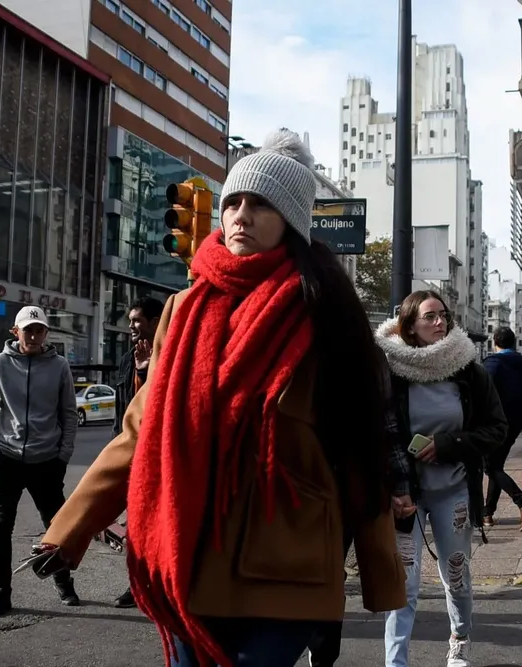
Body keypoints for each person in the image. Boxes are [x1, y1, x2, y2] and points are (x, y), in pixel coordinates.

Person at [25, 129, 406, 666]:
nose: (240, 216)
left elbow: (357, 450)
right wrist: (67, 532)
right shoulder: (183, 310)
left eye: (260, 205)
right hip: (190, 555)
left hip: (288, 566)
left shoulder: (326, 314)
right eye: (232, 203)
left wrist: (378, 575)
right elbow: (142, 432)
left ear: (293, 222)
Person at [377, 290, 508, 667]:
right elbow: (379, 431)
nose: (440, 323)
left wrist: (450, 445)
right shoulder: (390, 370)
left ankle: (460, 640)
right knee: (405, 583)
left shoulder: (468, 369)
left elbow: (497, 427)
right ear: (410, 327)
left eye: (443, 316)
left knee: (456, 574)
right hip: (406, 497)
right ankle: (395, 661)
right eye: (430, 317)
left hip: (454, 491)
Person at [0, 305, 80, 617]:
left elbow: (69, 415)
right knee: (1, 526)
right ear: (15, 331)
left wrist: (63, 455)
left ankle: (63, 580)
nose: (33, 335)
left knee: (56, 526)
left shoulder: (59, 366)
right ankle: (0, 591)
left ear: (47, 333)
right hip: (6, 457)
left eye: (39, 330)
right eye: (28, 329)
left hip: (47, 459)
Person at [111, 296, 164, 609]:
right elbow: (125, 410)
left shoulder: (171, 351)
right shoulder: (127, 358)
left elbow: (156, 404)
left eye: (137, 321)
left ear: (155, 321)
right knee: (136, 529)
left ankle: (162, 586)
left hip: (160, 458)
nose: (131, 327)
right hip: (133, 456)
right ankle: (137, 587)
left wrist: (146, 372)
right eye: (130, 321)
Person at [481, 327, 522, 531]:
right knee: (496, 466)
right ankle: (487, 513)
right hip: (514, 424)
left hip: (493, 424)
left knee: (490, 467)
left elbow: (483, 394)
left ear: (495, 341)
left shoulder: (493, 364)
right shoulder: (521, 365)